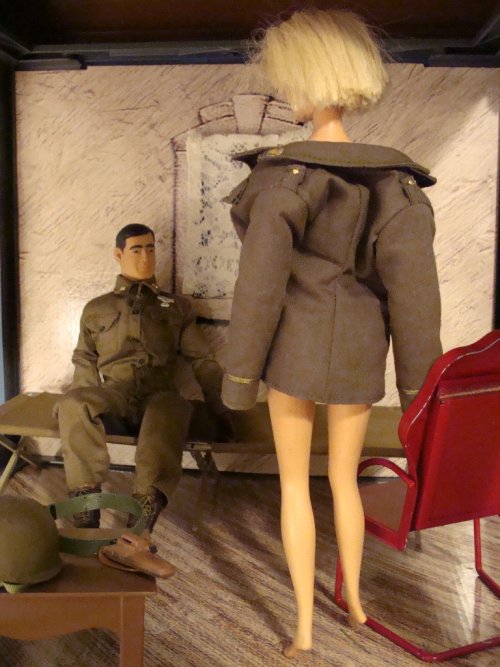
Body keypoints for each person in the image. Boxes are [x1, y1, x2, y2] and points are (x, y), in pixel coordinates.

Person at [221, 9, 442, 658]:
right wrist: (420, 394)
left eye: (287, 79)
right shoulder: (396, 184)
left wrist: (240, 376)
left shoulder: (282, 180)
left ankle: (303, 627)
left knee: (295, 483)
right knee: (344, 480)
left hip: (292, 349)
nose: (283, 92)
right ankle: (356, 603)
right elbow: (416, 299)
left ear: (308, 80)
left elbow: (259, 288)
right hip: (359, 352)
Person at [57, 223, 230, 532]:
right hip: (116, 397)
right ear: (118, 255)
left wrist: (222, 409)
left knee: (171, 408)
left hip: (159, 395)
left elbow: (202, 360)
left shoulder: (176, 307)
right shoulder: (97, 309)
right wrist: (87, 408)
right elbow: (84, 359)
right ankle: (86, 513)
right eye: (136, 250)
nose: (145, 258)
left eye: (151, 249)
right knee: (73, 403)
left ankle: (139, 522)